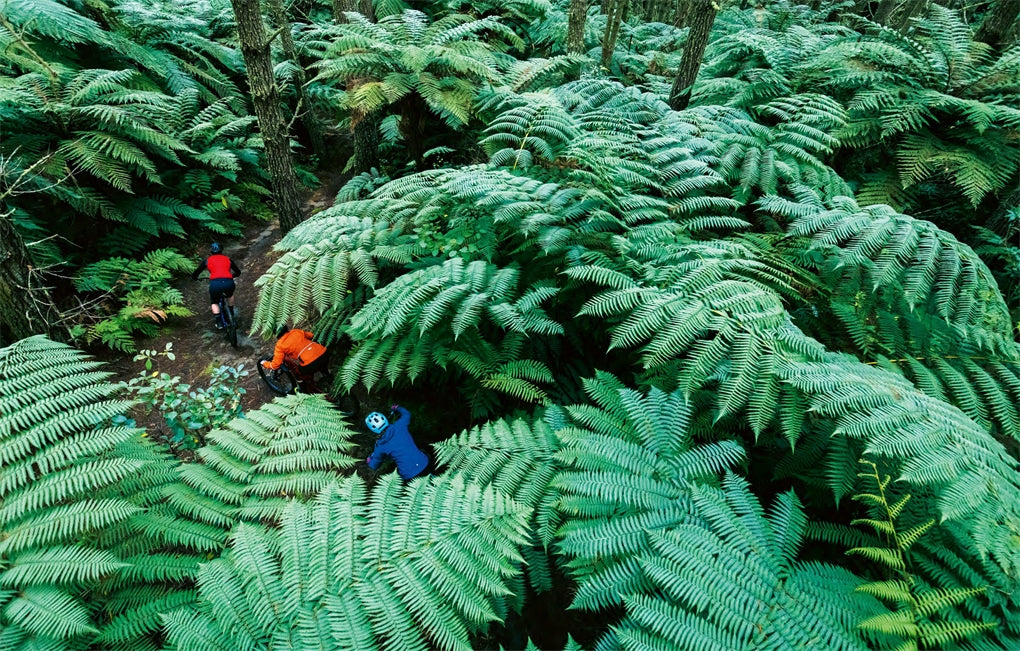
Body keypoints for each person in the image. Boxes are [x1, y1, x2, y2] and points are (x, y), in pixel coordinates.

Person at [365, 405, 429, 481]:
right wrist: (397, 408)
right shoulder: (400, 425)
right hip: (424, 463)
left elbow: (374, 465)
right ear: (385, 419)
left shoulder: (380, 445)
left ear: (373, 430)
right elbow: (407, 414)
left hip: (408, 474)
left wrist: (369, 460)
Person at [261, 325, 330, 391]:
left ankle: (304, 390)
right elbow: (311, 335)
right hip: (324, 353)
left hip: (310, 363)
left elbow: (275, 365)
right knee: (320, 362)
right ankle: (327, 374)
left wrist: (264, 363)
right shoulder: (296, 331)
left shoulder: (280, 345)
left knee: (299, 374)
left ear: (275, 334)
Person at [191, 242, 241, 329]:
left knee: (214, 302)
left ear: (211, 251)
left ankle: (219, 322)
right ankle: (231, 314)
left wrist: (195, 278)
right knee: (230, 295)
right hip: (228, 282)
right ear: (221, 250)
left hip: (215, 284)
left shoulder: (207, 261)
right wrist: (233, 275)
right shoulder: (227, 259)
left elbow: (197, 272)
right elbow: (238, 272)